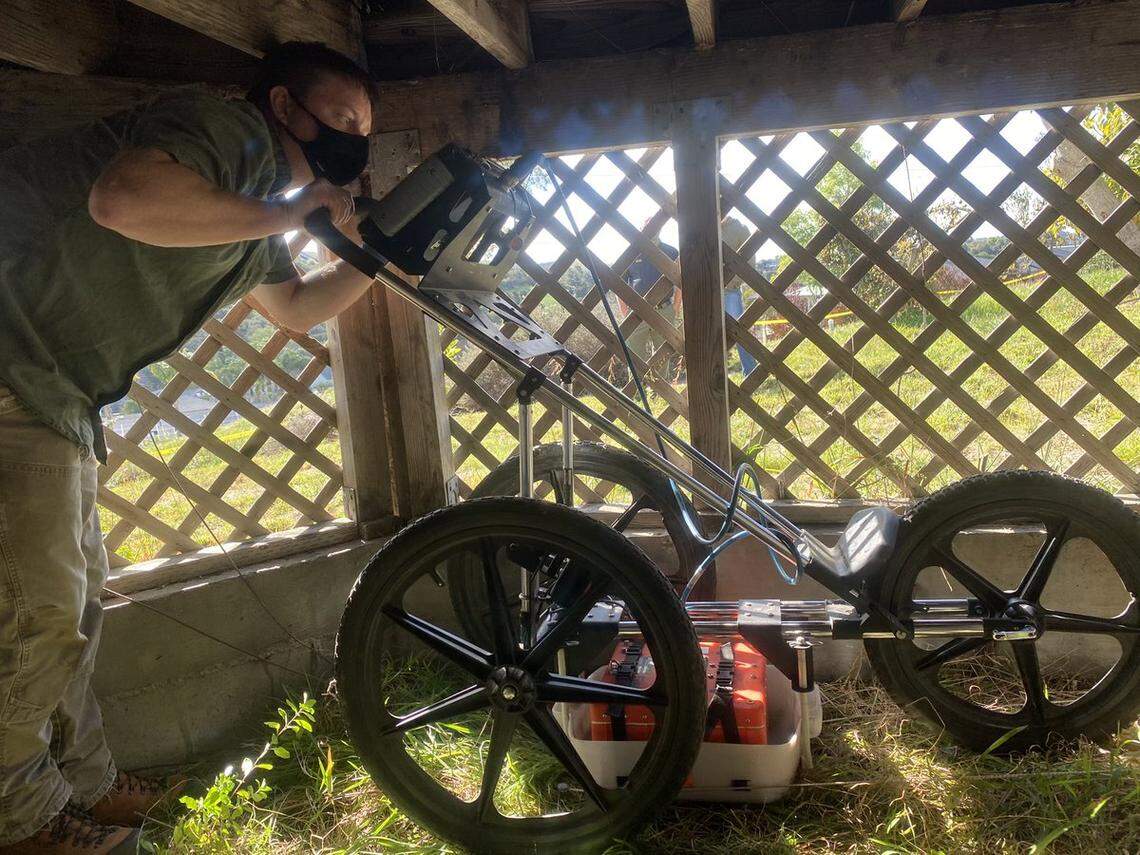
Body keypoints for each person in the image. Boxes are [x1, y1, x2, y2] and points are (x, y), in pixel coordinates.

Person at [0, 42, 378, 853]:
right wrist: (291, 211)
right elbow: (121, 198)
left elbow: (296, 307)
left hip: (51, 390)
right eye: (341, 119)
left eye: (363, 130)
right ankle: (21, 821)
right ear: (283, 105)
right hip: (11, 366)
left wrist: (379, 258)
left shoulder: (245, 204)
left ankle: (86, 785)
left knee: (75, 607)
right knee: (33, 618)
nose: (353, 140)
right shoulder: (224, 129)